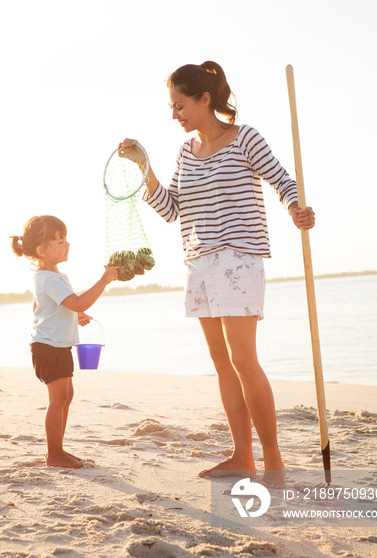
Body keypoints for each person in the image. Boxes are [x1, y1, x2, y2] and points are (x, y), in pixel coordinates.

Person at [119, 61, 315, 487]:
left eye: (180, 104)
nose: (175, 114)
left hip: (238, 258)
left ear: (205, 99)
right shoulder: (186, 151)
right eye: (171, 107)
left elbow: (283, 181)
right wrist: (143, 166)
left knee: (244, 360)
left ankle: (274, 460)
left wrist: (296, 209)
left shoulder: (245, 138)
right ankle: (242, 456)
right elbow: (171, 209)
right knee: (222, 362)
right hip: (199, 262)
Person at [11, 215, 118, 469]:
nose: (66, 245)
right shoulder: (49, 278)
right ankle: (54, 453)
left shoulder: (50, 276)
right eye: (59, 241)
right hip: (49, 347)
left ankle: (58, 449)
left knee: (66, 396)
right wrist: (103, 281)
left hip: (57, 345)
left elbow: (42, 307)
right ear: (41, 250)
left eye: (66, 239)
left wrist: (74, 313)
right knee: (57, 399)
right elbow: (78, 301)